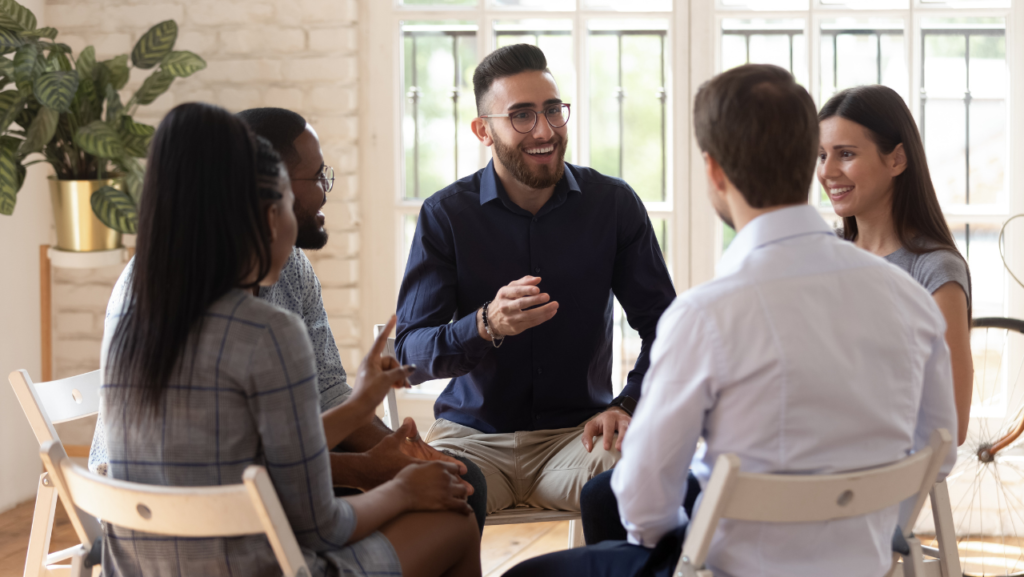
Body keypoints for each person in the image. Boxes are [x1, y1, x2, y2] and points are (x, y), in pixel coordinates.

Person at [504, 64, 958, 577]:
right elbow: (938, 453)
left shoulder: (704, 316)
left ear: (715, 172)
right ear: (807, 160)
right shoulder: (909, 299)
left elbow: (645, 507)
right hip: (863, 564)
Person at [99, 102, 480, 577]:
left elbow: (252, 455)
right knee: (457, 521)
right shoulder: (266, 333)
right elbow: (320, 528)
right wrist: (401, 491)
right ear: (266, 218)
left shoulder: (133, 323)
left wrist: (360, 405)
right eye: (286, 200)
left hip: (142, 566)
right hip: (254, 568)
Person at [395, 43, 676, 518]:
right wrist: (484, 324)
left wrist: (627, 404)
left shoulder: (613, 206)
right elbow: (408, 356)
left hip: (579, 439)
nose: (545, 130)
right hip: (472, 440)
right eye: (522, 115)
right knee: (434, 495)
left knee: (639, 474)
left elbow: (668, 329)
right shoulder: (445, 215)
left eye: (552, 110)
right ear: (483, 131)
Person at [818, 85, 973, 446]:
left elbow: (952, 427)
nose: (827, 171)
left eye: (846, 154)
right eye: (821, 155)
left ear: (897, 159)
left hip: (885, 470)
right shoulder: (823, 253)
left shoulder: (935, 271)